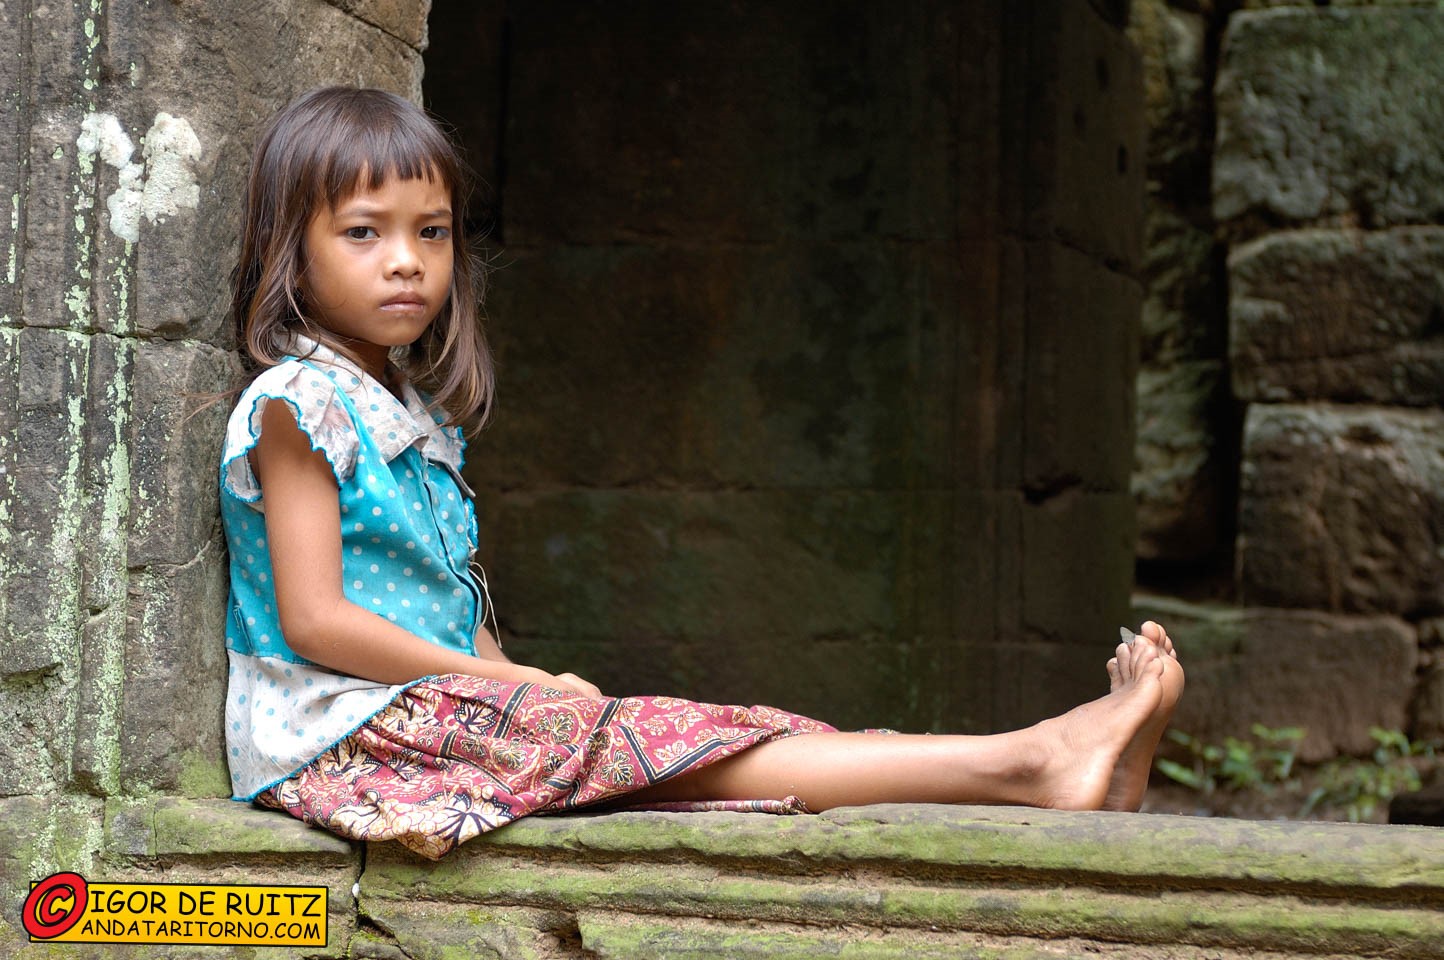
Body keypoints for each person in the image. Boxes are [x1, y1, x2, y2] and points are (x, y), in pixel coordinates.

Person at [220, 86, 1185, 861]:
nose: (407, 263)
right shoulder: (297, 407)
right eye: (364, 233)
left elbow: (448, 603)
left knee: (705, 734)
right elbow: (317, 620)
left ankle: (1061, 773)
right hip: (344, 739)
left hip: (436, 709)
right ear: (291, 253)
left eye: (432, 232)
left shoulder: (409, 419)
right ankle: (1034, 761)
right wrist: (507, 683)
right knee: (656, 745)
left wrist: (512, 678)